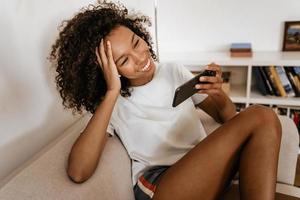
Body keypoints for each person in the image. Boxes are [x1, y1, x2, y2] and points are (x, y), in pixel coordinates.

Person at [49, 1, 282, 199]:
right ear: (109, 71)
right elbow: (78, 171)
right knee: (261, 114)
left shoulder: (173, 72)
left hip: (205, 171)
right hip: (163, 185)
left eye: (136, 43)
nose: (140, 58)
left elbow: (228, 117)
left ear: (140, 33)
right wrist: (111, 92)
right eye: (124, 61)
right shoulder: (111, 104)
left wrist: (217, 92)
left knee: (264, 118)